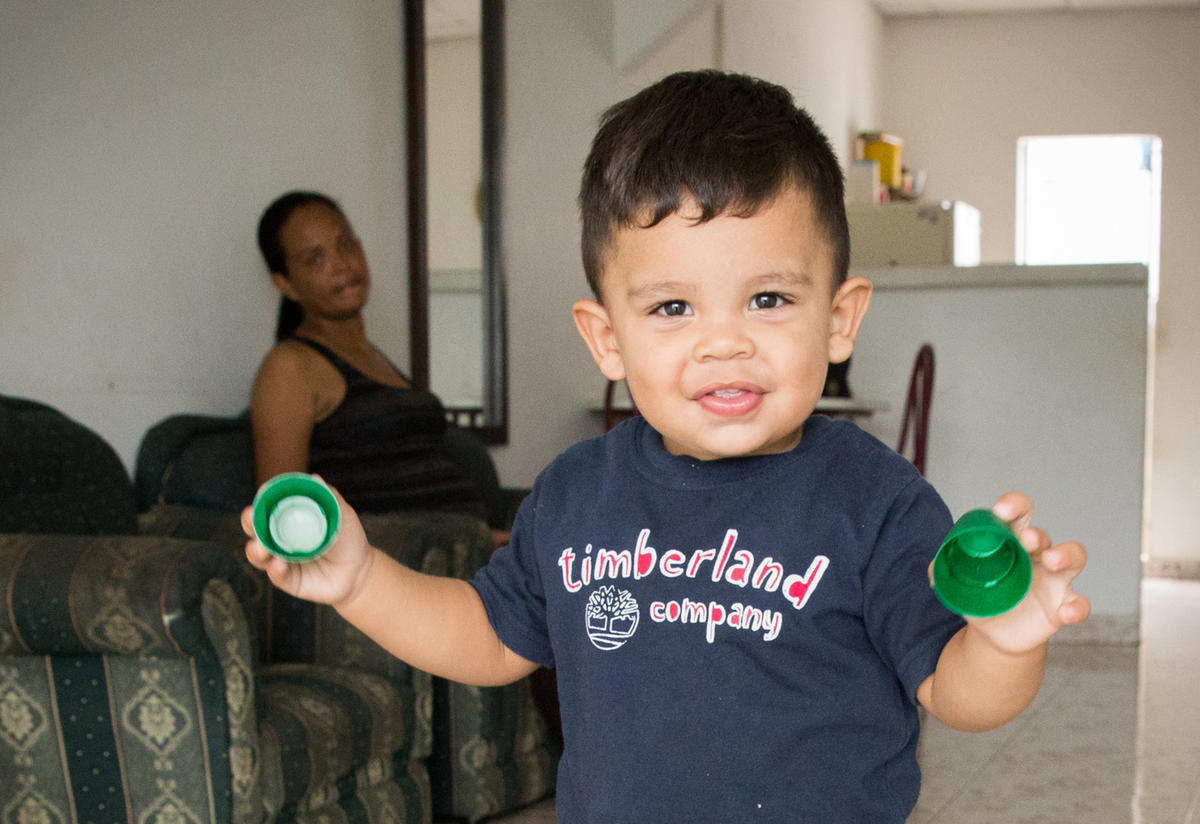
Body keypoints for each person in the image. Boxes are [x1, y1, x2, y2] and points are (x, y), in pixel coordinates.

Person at [243, 72, 1090, 823]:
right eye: (672, 309)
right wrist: (360, 580)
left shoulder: (876, 501)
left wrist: (1006, 641)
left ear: (838, 319)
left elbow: (957, 691)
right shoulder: (575, 495)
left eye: (766, 298)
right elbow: (490, 639)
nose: (723, 343)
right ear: (606, 339)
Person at [250, 191, 495, 530]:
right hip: (393, 567)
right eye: (315, 259)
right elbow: (281, 513)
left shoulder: (372, 356)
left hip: (466, 553)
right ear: (286, 284)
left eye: (346, 244)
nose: (342, 264)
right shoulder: (289, 367)